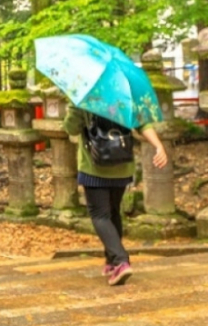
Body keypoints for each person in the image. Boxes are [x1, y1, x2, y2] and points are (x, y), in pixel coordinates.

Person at [64, 105, 168, 286]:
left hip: (94, 166)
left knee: (100, 215)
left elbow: (70, 128)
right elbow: (142, 123)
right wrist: (158, 145)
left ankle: (120, 261)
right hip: (121, 164)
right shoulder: (124, 95)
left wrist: (74, 108)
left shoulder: (87, 98)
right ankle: (111, 261)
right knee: (112, 212)